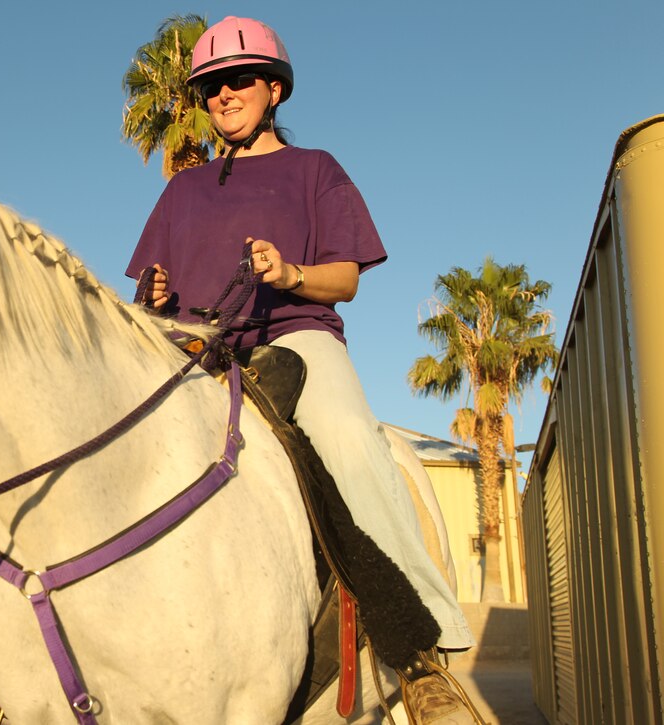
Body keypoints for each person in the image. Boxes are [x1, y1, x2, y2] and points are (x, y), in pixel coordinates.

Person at [126, 15, 480, 725]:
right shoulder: (183, 189)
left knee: (350, 442)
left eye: (238, 80)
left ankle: (420, 656)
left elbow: (345, 278)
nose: (223, 94)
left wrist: (289, 272)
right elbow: (148, 292)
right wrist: (154, 297)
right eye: (211, 87)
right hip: (195, 352)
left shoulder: (315, 169)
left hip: (295, 339)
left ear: (273, 89)